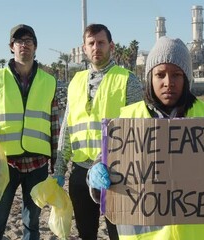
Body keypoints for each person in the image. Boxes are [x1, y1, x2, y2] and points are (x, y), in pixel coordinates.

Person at [86, 36, 204, 239]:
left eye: (176, 75)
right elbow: (102, 161)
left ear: (187, 78)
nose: (168, 83)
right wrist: (95, 174)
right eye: (160, 74)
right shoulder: (126, 119)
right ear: (150, 78)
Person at [53, 23, 143, 240]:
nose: (96, 47)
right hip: (80, 173)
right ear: (84, 48)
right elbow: (68, 127)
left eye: (101, 43)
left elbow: (139, 129)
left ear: (111, 46)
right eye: (91, 43)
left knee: (119, 234)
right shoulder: (75, 82)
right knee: (86, 233)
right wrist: (59, 169)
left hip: (116, 174)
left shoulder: (127, 80)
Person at [0, 24, 59, 239]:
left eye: (29, 41)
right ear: (11, 47)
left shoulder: (49, 81)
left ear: (35, 47)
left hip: (37, 164)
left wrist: (55, 163)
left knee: (32, 224)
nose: (24, 45)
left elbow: (54, 124)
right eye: (19, 41)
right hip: (4, 162)